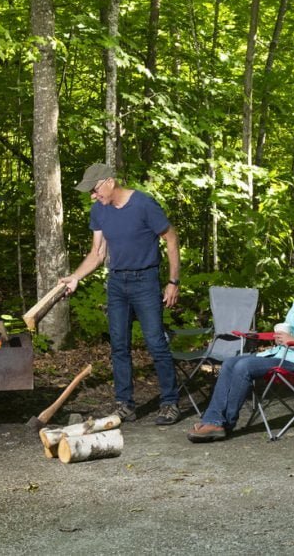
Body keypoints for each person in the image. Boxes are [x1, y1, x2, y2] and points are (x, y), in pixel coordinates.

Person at [60, 163, 182, 426]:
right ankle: (125, 404)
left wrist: (173, 281)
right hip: (117, 283)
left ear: (109, 182)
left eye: (94, 190)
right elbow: (97, 253)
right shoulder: (99, 211)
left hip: (145, 280)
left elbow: (171, 238)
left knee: (155, 342)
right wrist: (75, 277)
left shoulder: (144, 205)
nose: (93, 196)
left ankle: (170, 402)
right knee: (119, 345)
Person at [187, 255, 294, 442]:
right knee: (230, 362)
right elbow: (290, 324)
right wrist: (281, 333)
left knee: (244, 367)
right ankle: (213, 420)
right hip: (283, 354)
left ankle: (224, 424)